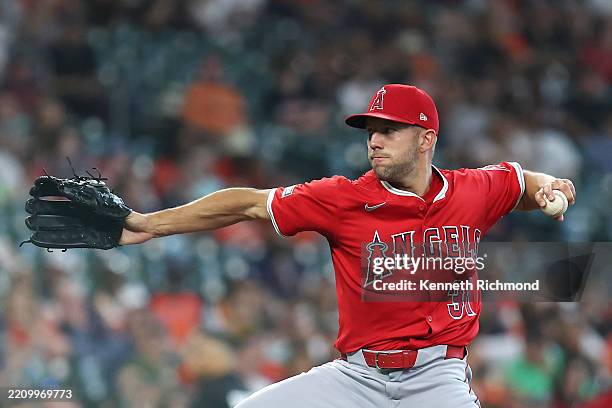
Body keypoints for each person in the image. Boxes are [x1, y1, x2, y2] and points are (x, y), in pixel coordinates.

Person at [119, 84, 576, 407]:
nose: (374, 141)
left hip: (436, 378)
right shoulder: (344, 198)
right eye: (370, 131)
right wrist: (148, 224)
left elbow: (521, 182)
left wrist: (549, 186)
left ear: (425, 139)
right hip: (356, 377)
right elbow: (249, 203)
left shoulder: (471, 190)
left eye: (388, 130)